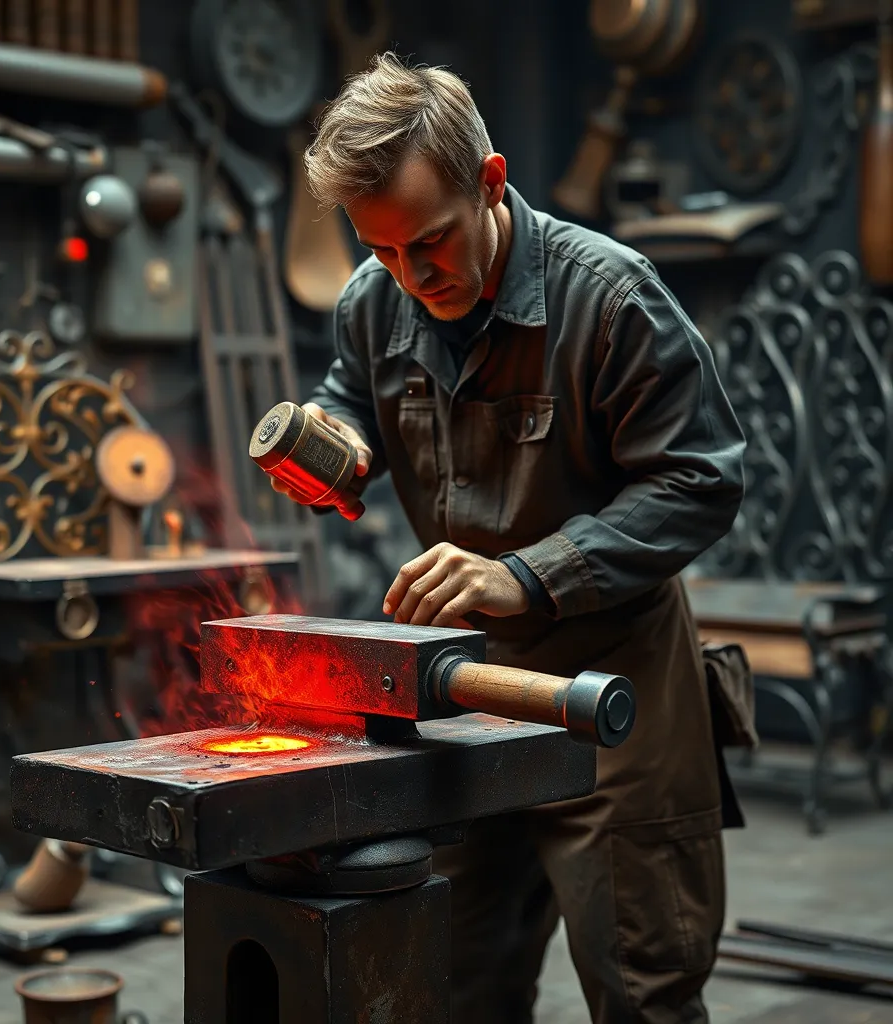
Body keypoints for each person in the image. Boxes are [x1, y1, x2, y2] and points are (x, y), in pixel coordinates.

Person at [267, 51, 746, 1024]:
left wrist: (525, 576)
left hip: (614, 695)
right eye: (385, 250)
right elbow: (348, 397)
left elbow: (701, 478)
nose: (411, 274)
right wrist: (331, 447)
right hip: (467, 696)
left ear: (489, 182)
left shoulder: (608, 296)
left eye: (431, 243)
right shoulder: (375, 297)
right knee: (457, 986)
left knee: (642, 989)